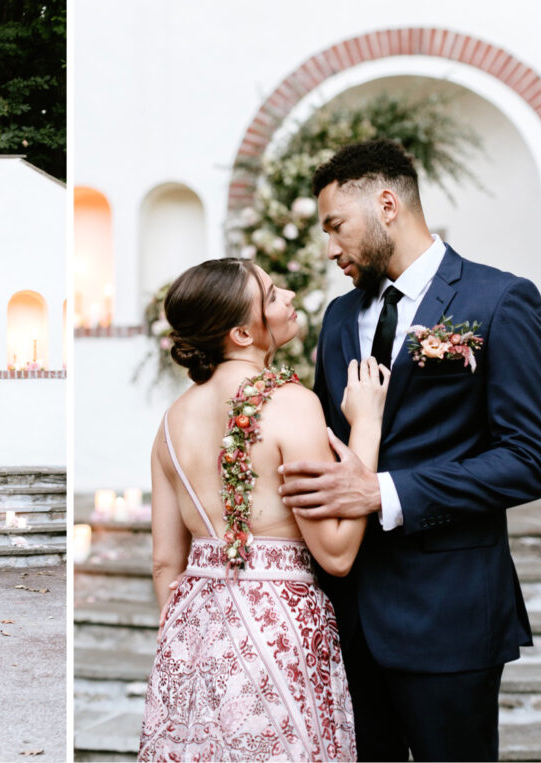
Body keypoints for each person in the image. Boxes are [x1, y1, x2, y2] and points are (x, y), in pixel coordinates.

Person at [278, 139, 541, 761]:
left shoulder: (499, 300)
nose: (330, 249)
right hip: (347, 616)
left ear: (386, 204)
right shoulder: (337, 317)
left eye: (336, 226)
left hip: (449, 613)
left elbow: (531, 459)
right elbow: (327, 443)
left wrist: (383, 492)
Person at [139, 257, 389, 761]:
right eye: (272, 295)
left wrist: (194, 644)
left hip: (191, 634)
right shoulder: (292, 403)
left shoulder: (170, 422)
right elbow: (337, 554)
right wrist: (366, 425)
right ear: (242, 333)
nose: (290, 297)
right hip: (279, 631)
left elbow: (166, 563)